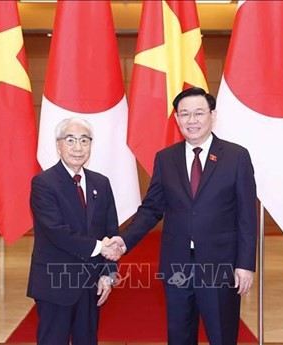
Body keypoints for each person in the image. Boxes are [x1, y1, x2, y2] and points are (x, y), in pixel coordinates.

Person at [106, 87, 257, 345]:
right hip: (177, 264)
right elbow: (152, 208)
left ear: (213, 115)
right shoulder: (166, 159)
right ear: (176, 119)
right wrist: (124, 240)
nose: (192, 120)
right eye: (185, 114)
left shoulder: (236, 156)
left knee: (222, 335)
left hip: (220, 264)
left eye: (199, 113)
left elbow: (246, 215)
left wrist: (245, 264)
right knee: (179, 335)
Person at [27, 117, 121, 345]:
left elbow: (111, 231)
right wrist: (100, 247)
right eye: (70, 140)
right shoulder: (44, 183)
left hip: (91, 285)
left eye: (84, 140)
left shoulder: (101, 183)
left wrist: (108, 276)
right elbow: (56, 230)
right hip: (55, 284)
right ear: (58, 145)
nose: (78, 147)